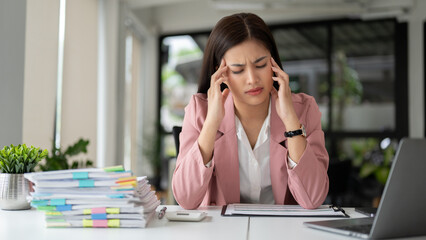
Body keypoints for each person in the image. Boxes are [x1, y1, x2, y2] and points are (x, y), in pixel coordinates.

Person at [172, 13, 329, 210]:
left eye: (261, 64)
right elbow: (186, 198)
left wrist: (291, 122)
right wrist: (211, 123)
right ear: (220, 73)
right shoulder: (199, 111)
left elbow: (313, 198)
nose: (252, 79)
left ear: (273, 63)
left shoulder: (304, 109)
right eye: (238, 70)